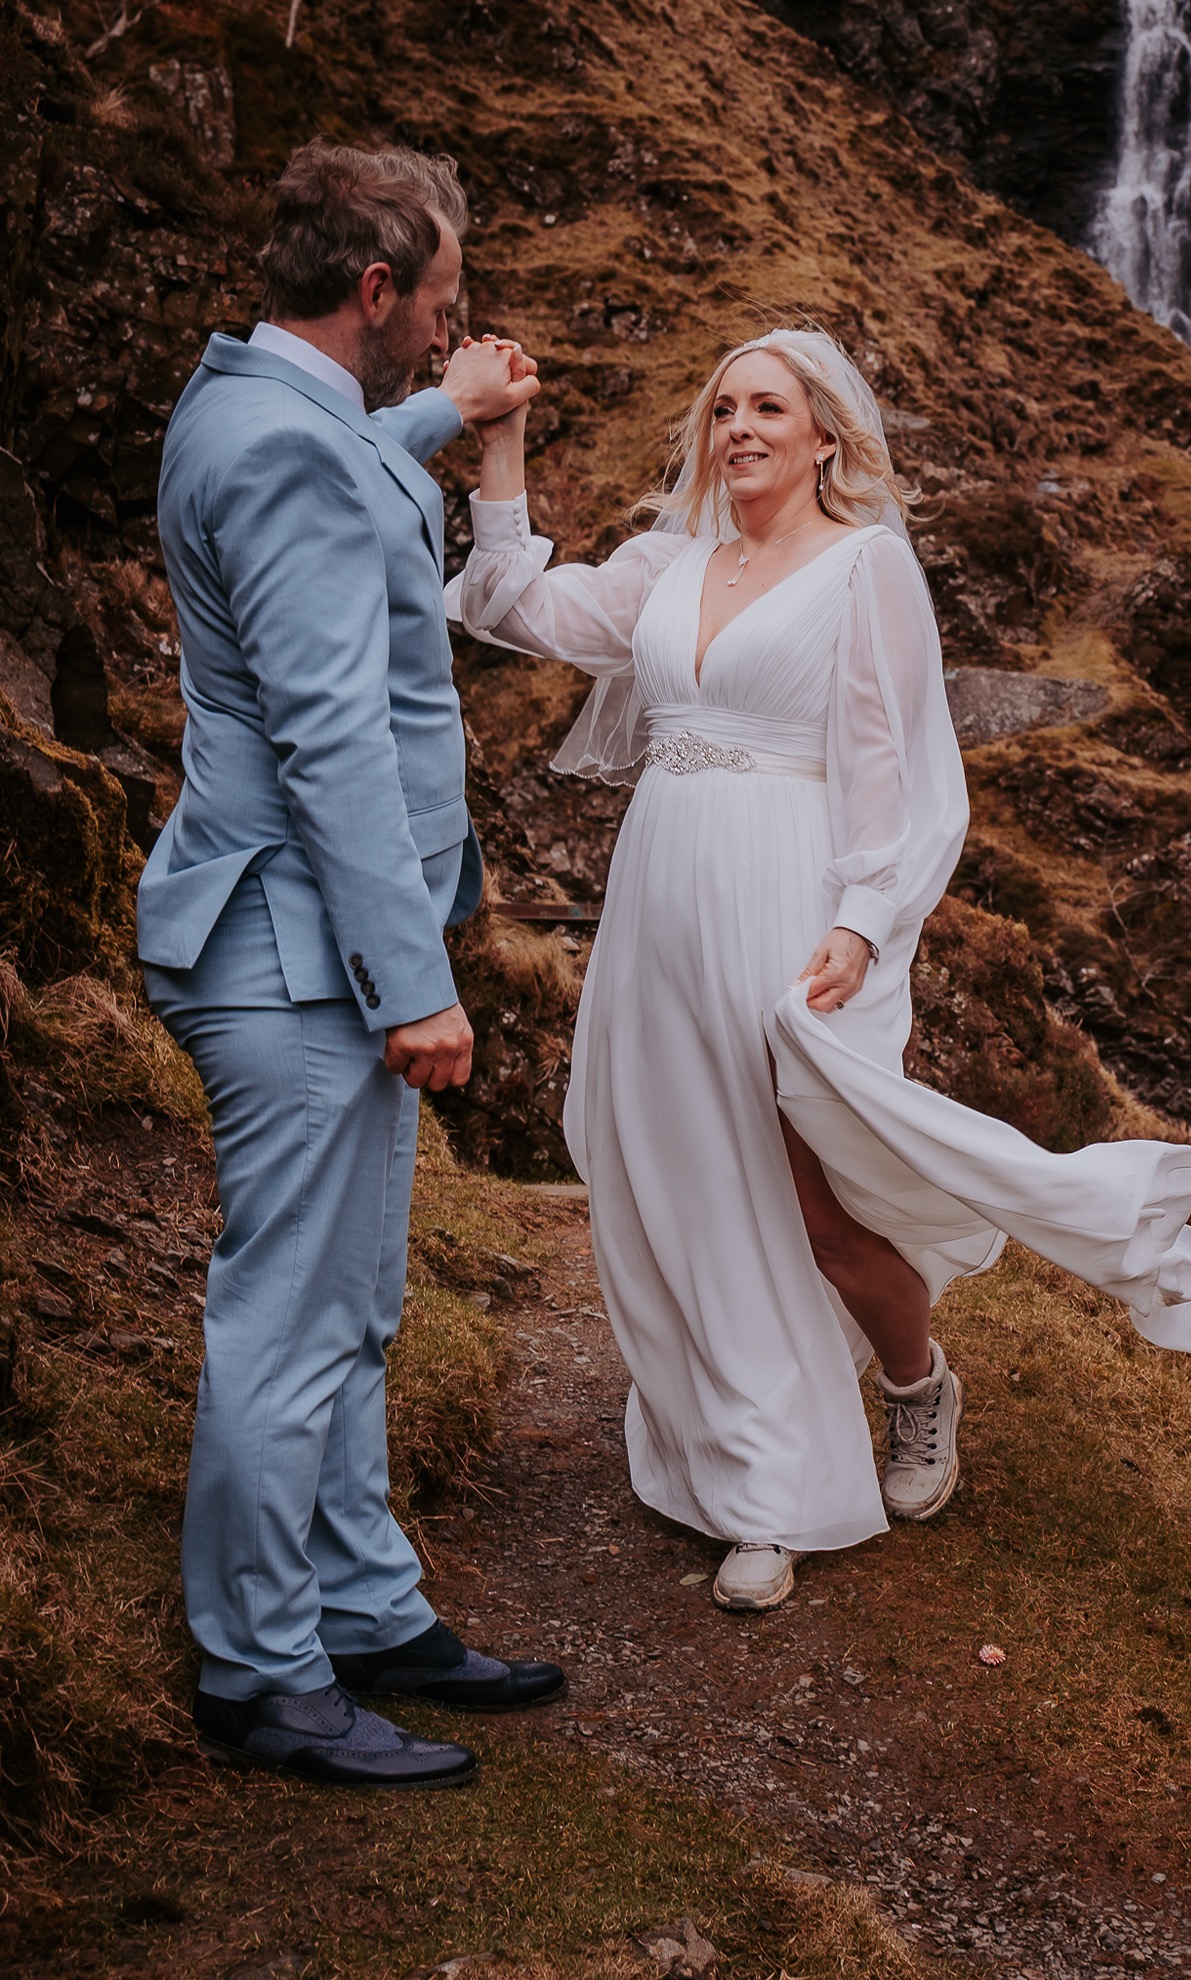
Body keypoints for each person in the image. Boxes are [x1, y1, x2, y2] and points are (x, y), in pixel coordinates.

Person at [447, 326, 1191, 1614]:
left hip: (792, 900)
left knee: (817, 1201)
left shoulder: (866, 570)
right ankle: (756, 1479)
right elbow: (515, 601)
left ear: (824, 438)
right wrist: (503, 442)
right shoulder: (670, 563)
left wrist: (865, 923)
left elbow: (905, 769)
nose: (740, 426)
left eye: (768, 408)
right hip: (659, 900)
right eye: (724, 408)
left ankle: (916, 1392)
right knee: (686, 1178)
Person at [138, 139, 565, 1788]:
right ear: (375, 291)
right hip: (296, 951)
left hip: (293, 937)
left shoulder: (255, 404)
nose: (444, 325)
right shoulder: (287, 457)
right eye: (437, 310)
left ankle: (364, 1609)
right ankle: (261, 1673)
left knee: (354, 1304)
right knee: (291, 1321)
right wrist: (417, 984)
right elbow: (329, 744)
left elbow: (332, 461)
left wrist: (443, 412)